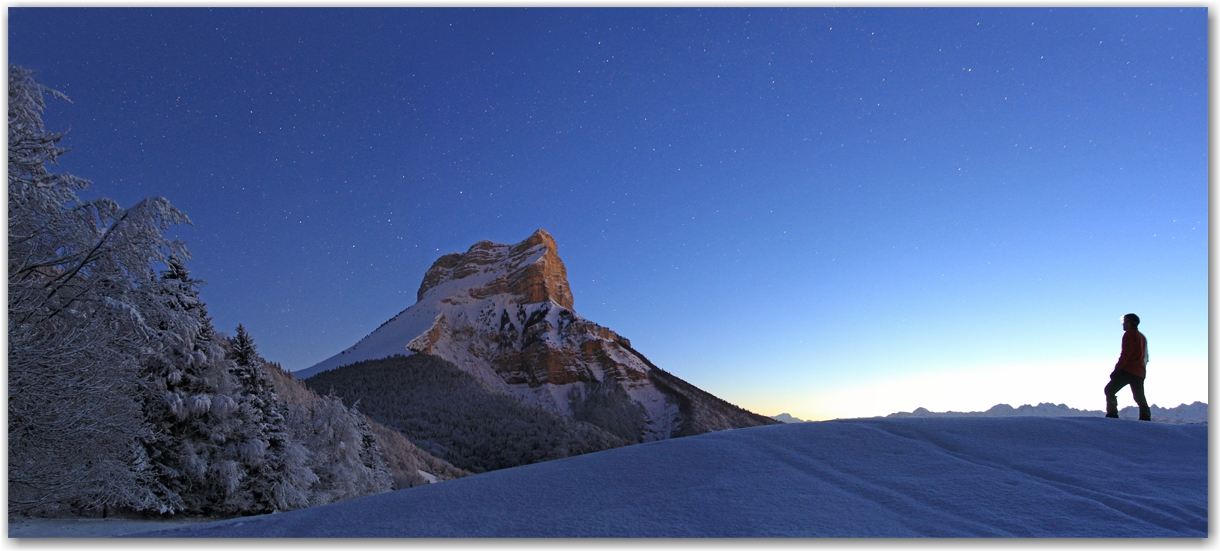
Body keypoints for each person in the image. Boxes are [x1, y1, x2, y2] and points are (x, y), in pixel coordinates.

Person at [1105, 313, 1150, 421]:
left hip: (1128, 370)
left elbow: (1126, 354)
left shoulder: (1129, 334)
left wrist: (1117, 370)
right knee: (1139, 397)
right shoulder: (1142, 336)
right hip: (1140, 372)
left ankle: (1112, 415)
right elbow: (1145, 357)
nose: (1123, 324)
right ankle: (1146, 417)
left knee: (1109, 390)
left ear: (1130, 322)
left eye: (1124, 321)